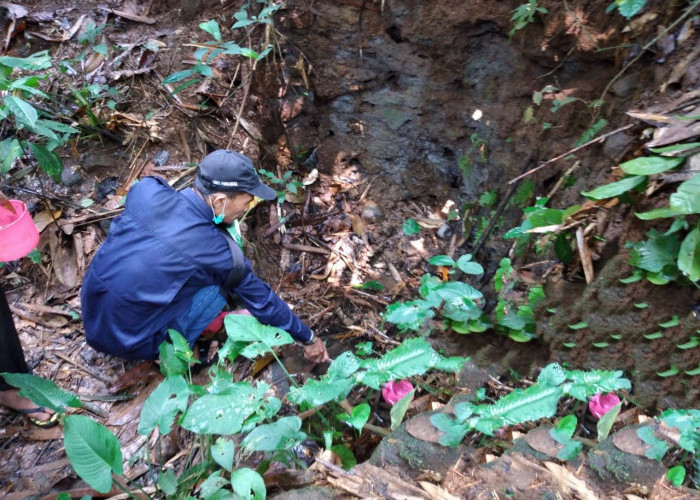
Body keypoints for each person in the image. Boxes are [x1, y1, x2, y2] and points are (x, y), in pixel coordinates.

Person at [81, 149, 330, 363]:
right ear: (220, 201)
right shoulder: (218, 252)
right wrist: (307, 338)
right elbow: (262, 300)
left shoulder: (146, 190)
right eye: (247, 199)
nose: (249, 206)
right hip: (132, 342)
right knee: (222, 285)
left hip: (93, 317)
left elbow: (158, 186)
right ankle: (170, 350)